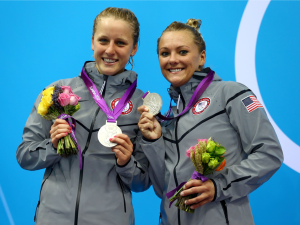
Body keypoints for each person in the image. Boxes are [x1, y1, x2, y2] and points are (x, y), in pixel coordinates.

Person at [138, 19, 283, 225]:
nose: (172, 59)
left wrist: (219, 186)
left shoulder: (230, 93)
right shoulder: (169, 116)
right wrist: (153, 142)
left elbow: (270, 154)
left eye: (182, 52)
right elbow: (164, 189)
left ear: (201, 57)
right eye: (164, 53)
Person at [16, 7, 150, 225]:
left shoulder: (142, 106)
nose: (110, 50)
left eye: (121, 43)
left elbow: (142, 182)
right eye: (103, 40)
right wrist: (53, 145)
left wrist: (126, 162)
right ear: (92, 42)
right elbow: (24, 155)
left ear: (134, 47)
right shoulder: (58, 91)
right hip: (53, 217)